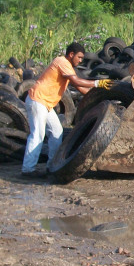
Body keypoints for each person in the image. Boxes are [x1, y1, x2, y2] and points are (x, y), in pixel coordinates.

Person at [21, 42, 113, 176]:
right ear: (71, 54)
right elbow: (77, 82)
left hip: (46, 104)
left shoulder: (68, 68)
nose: (81, 60)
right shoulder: (61, 61)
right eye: (79, 57)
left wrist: (100, 97)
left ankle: (52, 165)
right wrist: (98, 83)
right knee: (37, 135)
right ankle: (28, 169)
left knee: (57, 132)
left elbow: (81, 89)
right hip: (38, 100)